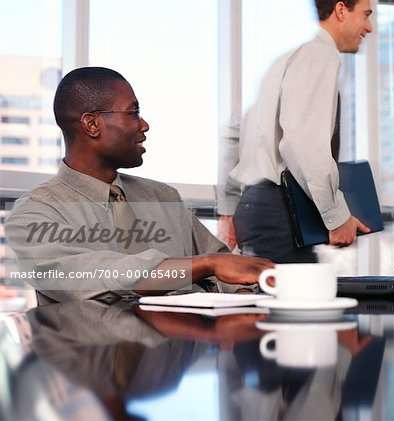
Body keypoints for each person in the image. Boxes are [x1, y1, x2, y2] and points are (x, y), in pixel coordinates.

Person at [5, 67, 274, 303]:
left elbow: (226, 267)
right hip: (96, 358)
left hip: (180, 351)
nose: (144, 125)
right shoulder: (34, 214)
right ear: (92, 124)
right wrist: (206, 265)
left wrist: (239, 293)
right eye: (133, 113)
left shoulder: (163, 197)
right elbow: (98, 275)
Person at [217, 0, 373, 263]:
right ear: (341, 10)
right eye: (366, 15)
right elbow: (303, 143)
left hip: (255, 209)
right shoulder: (319, 56)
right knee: (294, 302)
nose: (369, 27)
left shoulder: (284, 61)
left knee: (266, 301)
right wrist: (336, 217)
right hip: (281, 212)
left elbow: (232, 134)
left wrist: (229, 211)